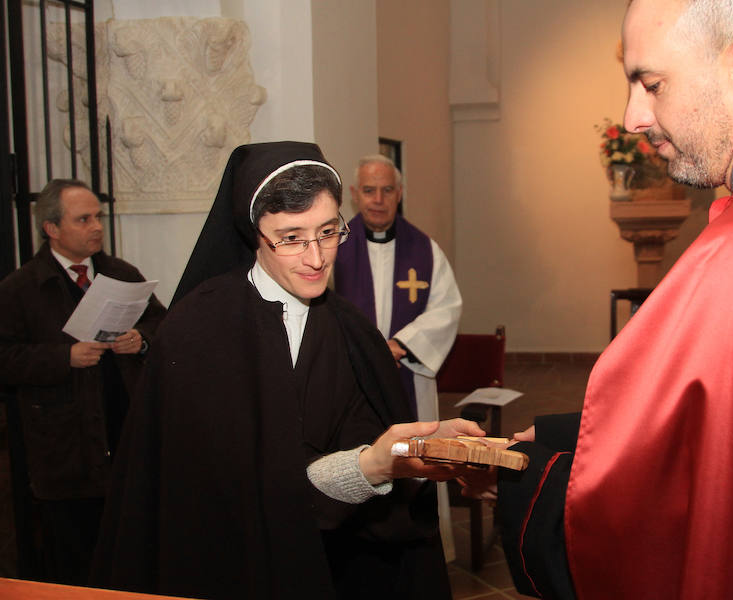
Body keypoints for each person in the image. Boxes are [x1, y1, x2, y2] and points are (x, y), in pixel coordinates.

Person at [461, 1, 733, 598]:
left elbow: (665, 526)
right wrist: (571, 435)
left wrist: (525, 479)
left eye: (651, 83)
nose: (633, 116)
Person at [91, 142, 481, 600]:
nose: (316, 258)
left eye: (329, 231)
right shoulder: (197, 329)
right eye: (291, 237)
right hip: (229, 567)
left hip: (330, 567)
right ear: (254, 233)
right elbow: (205, 488)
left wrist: (405, 453)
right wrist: (368, 464)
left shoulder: (352, 332)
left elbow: (362, 458)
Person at [0, 179, 165, 585]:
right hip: (64, 446)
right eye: (84, 219)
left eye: (98, 217)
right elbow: (5, 357)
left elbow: (164, 323)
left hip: (123, 428)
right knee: (75, 559)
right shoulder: (20, 289)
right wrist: (63, 357)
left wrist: (141, 339)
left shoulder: (121, 272)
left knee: (131, 553)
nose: (96, 226)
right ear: (51, 229)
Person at [333, 154, 463, 557]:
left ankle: (420, 552)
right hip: (350, 383)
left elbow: (447, 306)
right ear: (355, 195)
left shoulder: (424, 248)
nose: (378, 199)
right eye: (369, 190)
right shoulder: (333, 247)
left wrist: (399, 345)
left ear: (399, 194)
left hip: (408, 375)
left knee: (418, 466)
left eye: (387, 190)